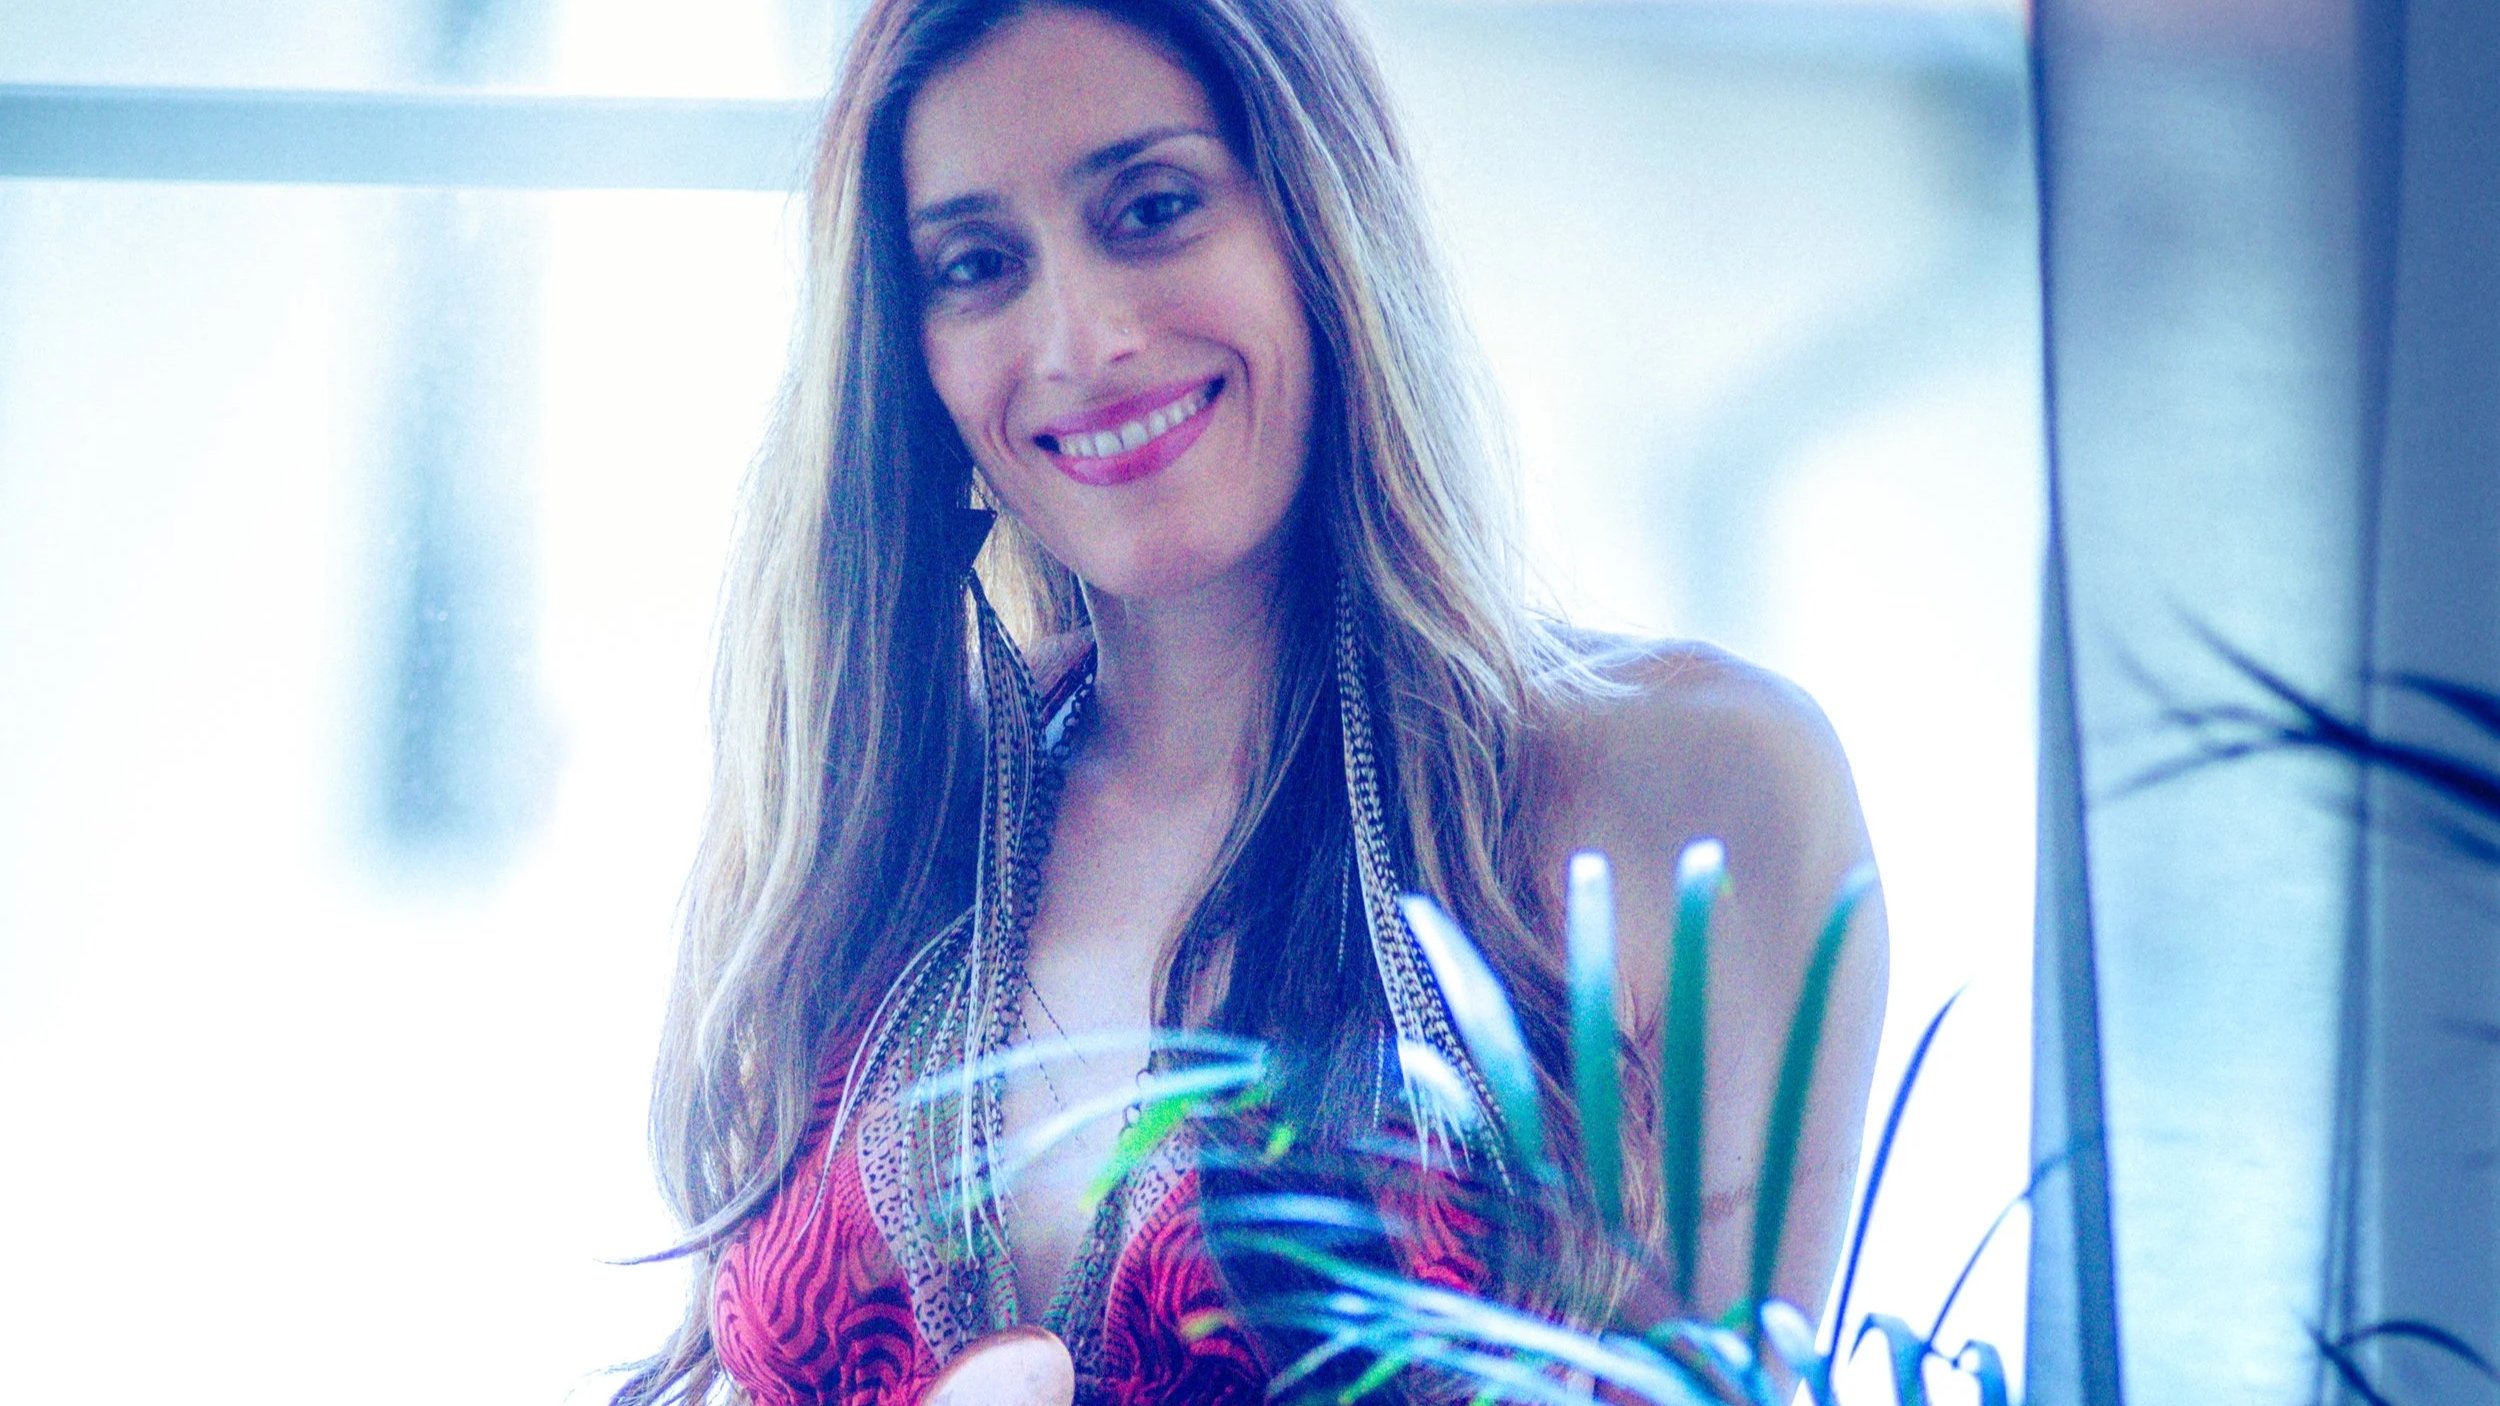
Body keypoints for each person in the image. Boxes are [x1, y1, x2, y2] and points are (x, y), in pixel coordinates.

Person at [616, 0, 1887, 1400]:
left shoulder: (1690, 792)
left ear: (1322, 227)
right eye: (976, 265)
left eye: (1152, 208)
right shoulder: (869, 822)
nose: (1082, 338)